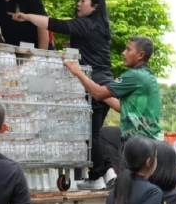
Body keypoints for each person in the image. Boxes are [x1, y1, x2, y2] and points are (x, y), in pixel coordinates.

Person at [9, 0, 115, 190]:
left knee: (90, 133)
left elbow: (55, 24)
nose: (78, 3)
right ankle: (107, 173)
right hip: (105, 80)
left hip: (92, 81)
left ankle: (98, 177)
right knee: (95, 133)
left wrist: (28, 16)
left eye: (83, 0)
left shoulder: (85, 23)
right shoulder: (100, 26)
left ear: (95, 6)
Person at [65, 36, 162, 175]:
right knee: (106, 133)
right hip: (151, 139)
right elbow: (121, 108)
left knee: (101, 135)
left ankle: (118, 173)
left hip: (137, 142)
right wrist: (103, 94)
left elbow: (98, 93)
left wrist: (78, 72)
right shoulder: (148, 76)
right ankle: (114, 173)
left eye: (128, 49)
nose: (123, 53)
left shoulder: (134, 76)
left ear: (140, 55)